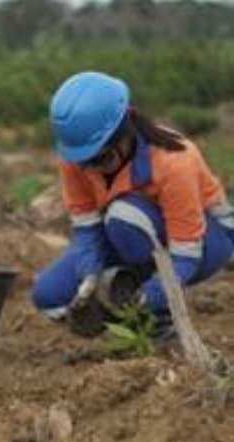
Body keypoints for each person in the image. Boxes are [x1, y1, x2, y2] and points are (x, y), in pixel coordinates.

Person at [32, 71, 234, 339]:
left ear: (124, 134)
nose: (90, 168)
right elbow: (87, 230)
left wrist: (149, 298)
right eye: (84, 161)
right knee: (48, 294)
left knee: (123, 216)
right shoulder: (77, 157)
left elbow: (186, 253)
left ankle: (157, 317)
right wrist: (88, 279)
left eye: (100, 159)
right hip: (128, 236)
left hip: (205, 243)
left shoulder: (174, 161)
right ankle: (122, 311)